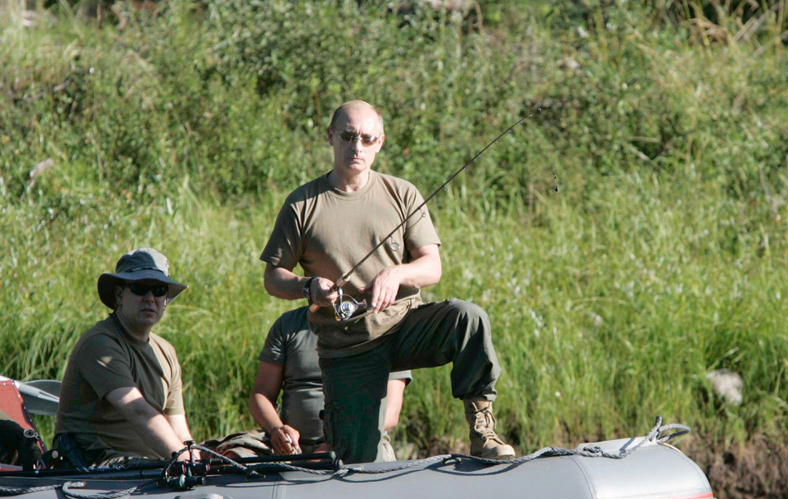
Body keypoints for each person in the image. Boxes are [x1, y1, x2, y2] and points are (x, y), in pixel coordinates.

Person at [260, 99, 515, 464]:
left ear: (380, 142)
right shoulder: (302, 204)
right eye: (348, 136)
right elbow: (273, 277)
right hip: (347, 346)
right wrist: (308, 287)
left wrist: (396, 273)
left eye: (367, 138)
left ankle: (482, 431)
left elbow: (431, 266)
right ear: (330, 137)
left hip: (405, 326)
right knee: (359, 461)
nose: (356, 146)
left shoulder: (402, 193)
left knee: (468, 318)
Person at [54, 248, 199, 466]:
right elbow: (137, 410)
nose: (150, 298)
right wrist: (182, 458)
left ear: (166, 299)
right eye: (140, 288)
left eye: (159, 290)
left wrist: (194, 457)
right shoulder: (100, 343)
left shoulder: (166, 352)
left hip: (149, 464)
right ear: (120, 295)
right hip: (94, 462)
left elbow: (179, 428)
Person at [249, 305, 411, 460]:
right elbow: (261, 394)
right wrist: (276, 429)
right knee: (232, 456)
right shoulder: (288, 324)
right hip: (289, 447)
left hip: (357, 443)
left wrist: (333, 446)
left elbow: (391, 412)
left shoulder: (383, 326)